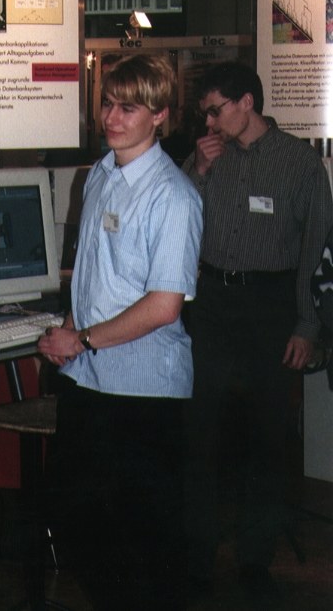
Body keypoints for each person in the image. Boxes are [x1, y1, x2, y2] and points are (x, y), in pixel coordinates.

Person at [38, 54, 203, 610]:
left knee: (145, 542)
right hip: (91, 381)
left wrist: (81, 340)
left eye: (128, 107)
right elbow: (92, 274)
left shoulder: (173, 195)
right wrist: (68, 327)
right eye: (108, 103)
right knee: (83, 525)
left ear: (159, 115)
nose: (112, 116)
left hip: (142, 391)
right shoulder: (101, 174)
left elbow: (163, 307)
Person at [182, 61, 333, 596]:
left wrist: (306, 323)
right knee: (200, 432)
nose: (209, 122)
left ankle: (255, 559)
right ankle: (196, 555)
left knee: (269, 436)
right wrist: (196, 172)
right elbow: (173, 219)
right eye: (205, 113)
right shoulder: (204, 158)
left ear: (248, 103)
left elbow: (315, 251)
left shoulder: (299, 163)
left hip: (271, 303)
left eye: (216, 110)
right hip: (213, 301)